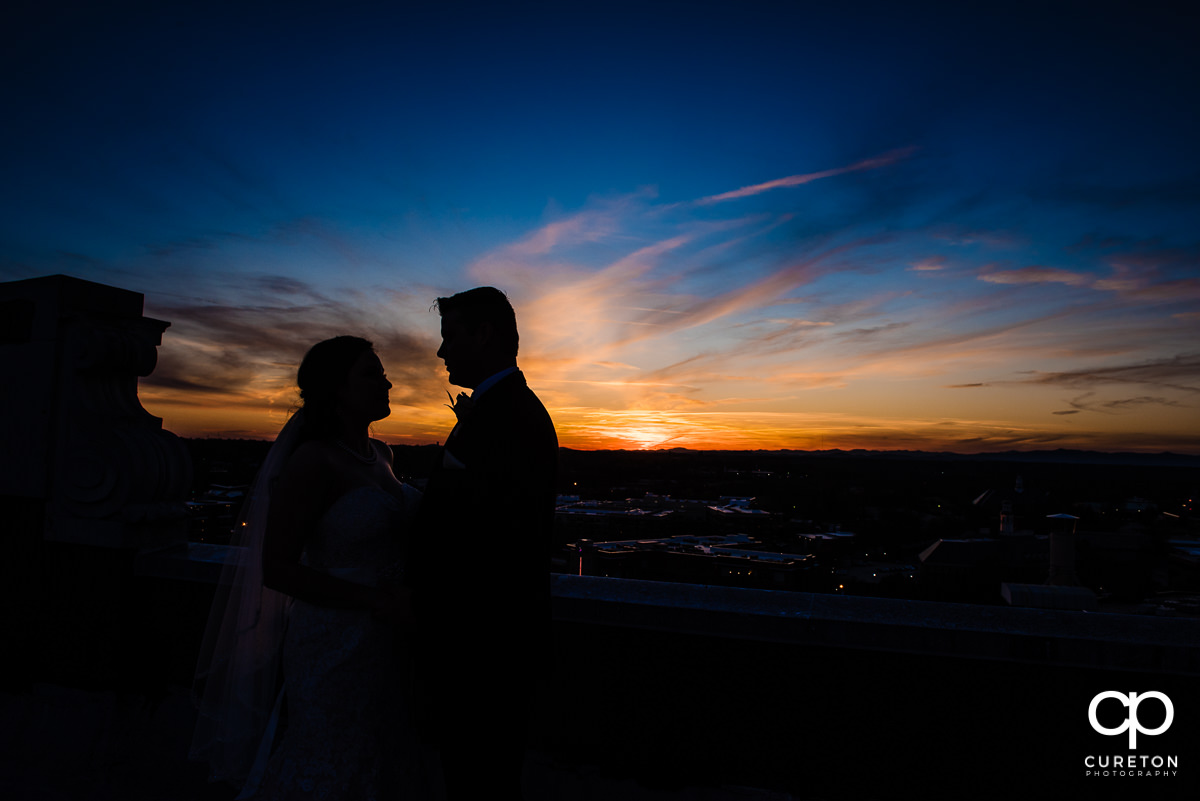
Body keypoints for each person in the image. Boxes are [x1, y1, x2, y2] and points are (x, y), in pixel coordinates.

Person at [191, 336, 430, 800]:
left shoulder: (384, 455)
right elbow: (277, 569)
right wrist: (374, 601)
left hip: (388, 644)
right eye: (372, 373)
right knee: (330, 759)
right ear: (336, 388)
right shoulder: (312, 461)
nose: (388, 382)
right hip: (333, 643)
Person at [407, 287, 558, 801]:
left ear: (483, 335)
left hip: (483, 650)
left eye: (450, 337)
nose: (441, 352)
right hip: (483, 648)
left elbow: (489, 539)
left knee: (480, 780)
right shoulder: (502, 410)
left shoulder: (510, 417)